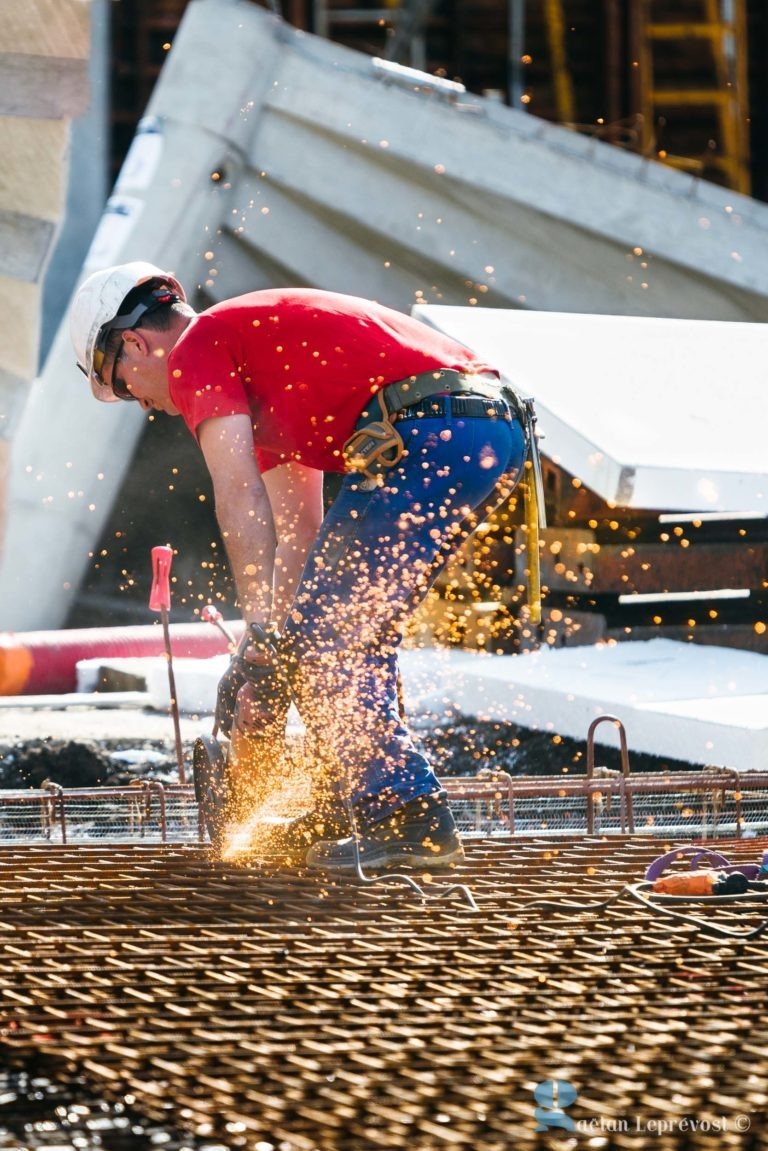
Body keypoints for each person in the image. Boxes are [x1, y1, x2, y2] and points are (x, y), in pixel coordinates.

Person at [70, 260, 529, 871]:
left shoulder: (198, 348)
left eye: (122, 383)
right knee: (340, 628)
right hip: (475, 431)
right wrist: (267, 652)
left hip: (436, 431)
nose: (141, 402)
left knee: (331, 638)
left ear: (134, 342)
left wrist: (264, 633)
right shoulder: (256, 368)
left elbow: (240, 501)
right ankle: (355, 799)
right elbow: (300, 532)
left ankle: (409, 819)